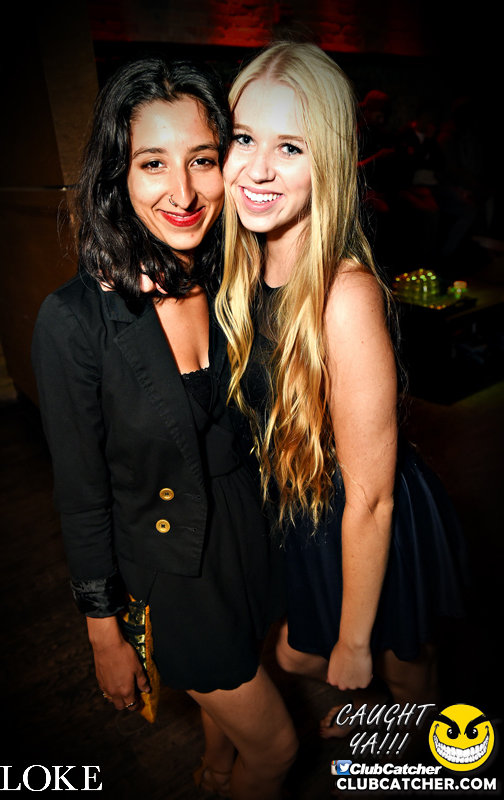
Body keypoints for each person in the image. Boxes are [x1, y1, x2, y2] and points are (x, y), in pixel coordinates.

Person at [32, 56, 297, 799]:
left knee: (235, 692)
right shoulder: (75, 321)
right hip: (172, 569)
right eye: (153, 163)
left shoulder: (235, 278)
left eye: (202, 160)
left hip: (248, 532)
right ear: (117, 174)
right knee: (277, 749)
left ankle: (215, 770)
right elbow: (81, 495)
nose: (182, 193)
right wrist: (103, 631)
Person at [217, 42, 468, 739]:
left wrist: (353, 642)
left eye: (290, 147)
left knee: (402, 665)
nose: (258, 169)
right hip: (305, 509)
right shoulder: (241, 266)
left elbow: (374, 497)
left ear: (327, 161)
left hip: (366, 511)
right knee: (295, 653)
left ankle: (423, 755)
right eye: (244, 138)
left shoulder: (343, 294)